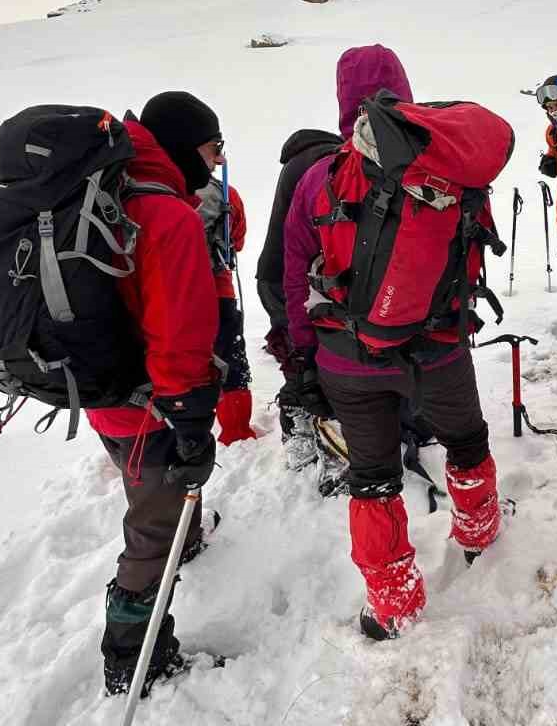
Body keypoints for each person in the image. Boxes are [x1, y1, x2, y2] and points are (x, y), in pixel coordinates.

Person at [281, 46, 503, 640]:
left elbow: (292, 273)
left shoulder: (316, 179)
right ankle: (480, 534)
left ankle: (394, 599)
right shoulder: (446, 164)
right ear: (405, 89)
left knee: (372, 476)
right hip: (440, 347)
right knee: (466, 439)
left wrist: (303, 360)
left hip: (348, 360)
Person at [86, 91, 223, 695]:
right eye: (211, 148)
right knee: (149, 527)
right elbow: (180, 337)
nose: (217, 162)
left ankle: (182, 540)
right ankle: (133, 657)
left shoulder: (114, 198)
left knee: (150, 493)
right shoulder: (165, 216)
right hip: (149, 406)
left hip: (105, 396)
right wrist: (192, 420)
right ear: (181, 145)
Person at [255, 121, 345, 450]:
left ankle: (301, 430)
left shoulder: (299, 161)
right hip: (289, 277)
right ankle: (300, 433)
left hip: (273, 275)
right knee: (302, 358)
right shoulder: (321, 161)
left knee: (295, 353)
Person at [195, 172, 258, 445]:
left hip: (170, 292)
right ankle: (236, 431)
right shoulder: (223, 191)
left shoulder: (158, 189)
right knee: (231, 361)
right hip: (220, 290)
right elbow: (238, 240)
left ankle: (180, 431)